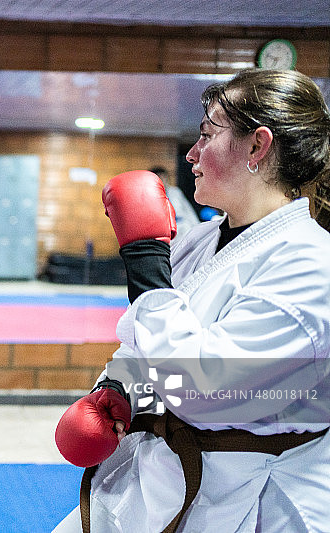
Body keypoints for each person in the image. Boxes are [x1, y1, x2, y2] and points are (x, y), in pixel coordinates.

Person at [53, 69, 330, 532]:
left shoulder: (312, 265)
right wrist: (120, 390)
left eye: (207, 135)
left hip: (249, 499)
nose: (192, 154)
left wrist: (144, 261)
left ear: (257, 146)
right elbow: (143, 344)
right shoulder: (200, 240)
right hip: (158, 477)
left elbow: (201, 387)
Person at [148, 165, 200, 245]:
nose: (163, 180)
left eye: (165, 178)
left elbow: (188, 210)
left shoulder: (175, 191)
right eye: (160, 178)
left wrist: (197, 225)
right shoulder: (150, 196)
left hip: (183, 227)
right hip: (166, 232)